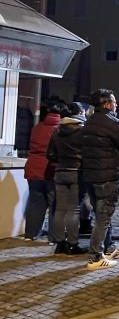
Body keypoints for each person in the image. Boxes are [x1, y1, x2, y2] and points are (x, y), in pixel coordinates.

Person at [81, 89, 119, 270]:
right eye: (114, 102)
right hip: (108, 177)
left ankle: (109, 248)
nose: (116, 105)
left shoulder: (88, 122)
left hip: (91, 175)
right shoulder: (112, 123)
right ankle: (95, 257)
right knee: (103, 217)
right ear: (107, 104)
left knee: (100, 214)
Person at [46, 102, 88, 255]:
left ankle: (59, 243)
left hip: (60, 171)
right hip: (76, 171)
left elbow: (50, 154)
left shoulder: (57, 130)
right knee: (74, 209)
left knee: (60, 209)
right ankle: (72, 243)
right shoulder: (82, 130)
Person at [23, 102, 66, 241]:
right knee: (55, 204)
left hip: (33, 168)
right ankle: (54, 237)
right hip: (50, 170)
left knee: (35, 202)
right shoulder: (60, 130)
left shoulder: (37, 128)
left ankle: (30, 234)